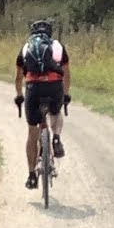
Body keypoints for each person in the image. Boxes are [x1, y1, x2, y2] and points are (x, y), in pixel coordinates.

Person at [14, 19, 69, 188]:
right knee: (55, 113)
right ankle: (56, 138)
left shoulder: (25, 48)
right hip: (53, 87)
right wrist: (65, 95)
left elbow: (18, 79)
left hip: (33, 88)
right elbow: (66, 75)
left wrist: (19, 95)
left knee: (32, 133)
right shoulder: (58, 47)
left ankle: (31, 176)